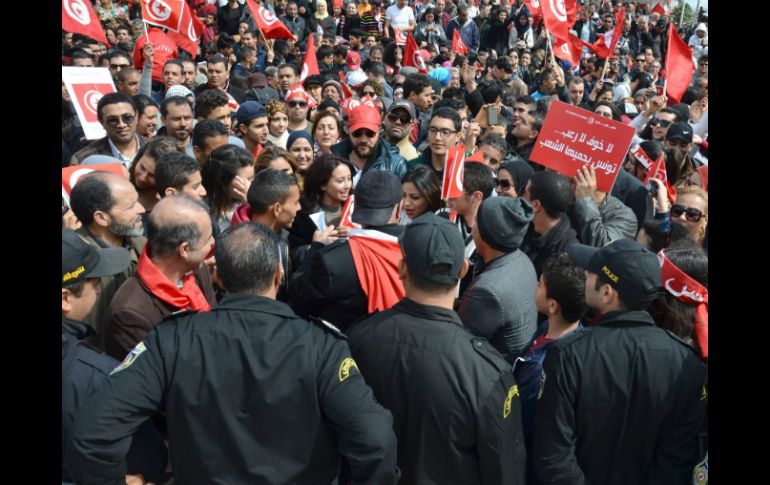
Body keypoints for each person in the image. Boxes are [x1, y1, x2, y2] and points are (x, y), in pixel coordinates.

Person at [66, 222, 401, 484]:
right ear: (278, 274)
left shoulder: (171, 340)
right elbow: (374, 440)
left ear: (218, 277)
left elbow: (94, 432)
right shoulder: (321, 346)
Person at [348, 212, 527, 484]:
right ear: (463, 269)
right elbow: (505, 469)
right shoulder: (486, 371)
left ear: (402, 268)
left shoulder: (359, 338)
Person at [533, 240, 707, 484]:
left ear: (607, 293)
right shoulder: (686, 365)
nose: (586, 275)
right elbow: (675, 462)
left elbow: (552, 455)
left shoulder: (568, 355)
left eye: (592, 273)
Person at [62, 228, 166, 485]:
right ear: (65, 298)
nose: (99, 292)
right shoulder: (94, 376)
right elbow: (148, 456)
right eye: (95, 285)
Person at [104, 195, 218, 360]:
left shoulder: (197, 270)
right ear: (184, 249)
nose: (213, 243)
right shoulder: (129, 312)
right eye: (208, 239)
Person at [291, 170, 406, 331]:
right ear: (400, 207)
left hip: (345, 352)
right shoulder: (418, 250)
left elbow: (299, 299)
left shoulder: (331, 259)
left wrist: (315, 249)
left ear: (355, 205)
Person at [514, 252, 585, 479]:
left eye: (541, 285)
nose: (536, 285)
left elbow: (524, 424)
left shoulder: (543, 369)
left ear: (553, 305)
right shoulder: (550, 328)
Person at [69, 172, 147, 347]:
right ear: (101, 218)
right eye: (130, 206)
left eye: (138, 200)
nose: (141, 209)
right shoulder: (73, 262)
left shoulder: (142, 245)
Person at [458, 196, 537, 363]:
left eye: (477, 220)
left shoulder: (488, 291)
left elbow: (459, 344)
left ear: (484, 235)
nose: (472, 225)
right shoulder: (521, 258)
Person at [521, 171, 579, 278]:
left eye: (524, 193)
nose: (520, 198)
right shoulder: (523, 226)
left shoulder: (566, 255)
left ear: (535, 205)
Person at [331, 104, 408, 182]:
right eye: (357, 133)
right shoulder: (333, 160)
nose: (363, 139)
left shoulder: (397, 165)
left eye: (370, 133)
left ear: (379, 131)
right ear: (348, 130)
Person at [69, 93, 148, 168]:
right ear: (102, 122)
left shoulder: (156, 148)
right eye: (113, 120)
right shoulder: (83, 160)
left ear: (136, 116)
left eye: (127, 118)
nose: (121, 125)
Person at [202, 144, 255, 232]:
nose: (250, 184)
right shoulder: (203, 210)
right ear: (223, 181)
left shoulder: (249, 202)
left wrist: (250, 206)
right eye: (246, 180)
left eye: (252, 178)